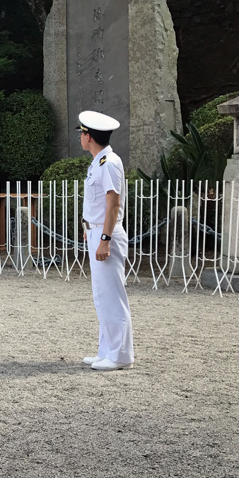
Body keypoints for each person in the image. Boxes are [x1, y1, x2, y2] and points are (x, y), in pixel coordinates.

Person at [78, 110, 134, 371]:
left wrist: (105, 239)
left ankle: (121, 355)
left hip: (106, 233)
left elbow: (113, 204)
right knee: (102, 296)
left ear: (89, 137)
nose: (81, 137)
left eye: (83, 133)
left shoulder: (109, 162)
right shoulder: (99, 161)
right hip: (96, 231)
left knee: (112, 295)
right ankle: (107, 350)